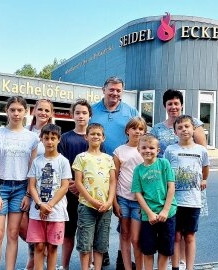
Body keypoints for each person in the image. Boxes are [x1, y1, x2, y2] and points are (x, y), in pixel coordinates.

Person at [150, 89, 207, 270]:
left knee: (188, 233)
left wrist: (203, 179)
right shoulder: (158, 128)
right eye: (169, 104)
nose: (173, 107)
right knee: (173, 231)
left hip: (191, 188)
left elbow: (203, 158)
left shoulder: (194, 123)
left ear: (181, 104)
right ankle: (172, 263)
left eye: (176, 103)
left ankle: (184, 263)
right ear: (165, 106)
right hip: (168, 186)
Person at [89, 76, 138, 267]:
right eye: (112, 89)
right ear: (104, 89)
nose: (115, 93)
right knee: (99, 215)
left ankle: (121, 255)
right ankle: (102, 252)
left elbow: (140, 134)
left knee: (122, 215)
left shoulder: (130, 111)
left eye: (119, 90)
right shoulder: (93, 110)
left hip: (123, 170)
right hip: (96, 169)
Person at [0, 96, 39, 270]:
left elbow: (32, 169)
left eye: (20, 110)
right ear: (6, 111)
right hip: (0, 186)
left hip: (21, 189)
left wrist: (27, 194)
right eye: (12, 110)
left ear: (26, 112)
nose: (16, 114)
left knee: (13, 234)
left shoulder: (32, 138)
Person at [164, 115, 210, 270]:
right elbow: (165, 172)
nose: (184, 130)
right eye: (180, 127)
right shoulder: (171, 150)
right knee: (176, 236)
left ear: (193, 129)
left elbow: (205, 168)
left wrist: (204, 180)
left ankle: (190, 267)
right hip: (174, 201)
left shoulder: (201, 150)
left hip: (193, 201)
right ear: (175, 132)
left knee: (189, 236)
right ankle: (175, 266)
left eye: (187, 126)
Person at [72, 123, 116, 270]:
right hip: (86, 206)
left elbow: (112, 182)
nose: (95, 136)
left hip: (105, 207)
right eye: (92, 134)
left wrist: (109, 202)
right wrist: (91, 200)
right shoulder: (81, 157)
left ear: (103, 138)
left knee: (101, 243)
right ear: (86, 137)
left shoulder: (109, 159)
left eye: (99, 134)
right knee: (85, 242)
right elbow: (78, 182)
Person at [27, 124, 71, 270]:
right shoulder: (36, 161)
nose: (50, 142)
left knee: (52, 247)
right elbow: (32, 185)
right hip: (37, 211)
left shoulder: (63, 161)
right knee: (39, 246)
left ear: (59, 139)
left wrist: (50, 205)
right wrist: (40, 204)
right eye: (46, 138)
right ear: (41, 140)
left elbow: (64, 187)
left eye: (53, 138)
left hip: (56, 212)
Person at [131, 134, 177, 270]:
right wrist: (149, 213)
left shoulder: (164, 164)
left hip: (167, 214)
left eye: (151, 148)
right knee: (148, 249)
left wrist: (166, 210)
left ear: (158, 150)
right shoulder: (138, 170)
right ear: (139, 149)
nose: (147, 150)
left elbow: (171, 187)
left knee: (165, 249)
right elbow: (138, 194)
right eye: (144, 147)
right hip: (148, 216)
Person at [57, 99, 93, 270]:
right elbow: (60, 164)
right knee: (68, 232)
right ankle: (64, 266)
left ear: (89, 115)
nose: (81, 116)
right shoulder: (64, 138)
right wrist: (72, 185)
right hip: (69, 192)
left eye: (84, 113)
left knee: (88, 232)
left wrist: (84, 188)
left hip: (90, 194)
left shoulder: (94, 137)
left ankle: (89, 264)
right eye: (77, 113)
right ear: (72, 115)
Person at [23, 98, 54, 270]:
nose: (43, 113)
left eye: (47, 110)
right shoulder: (26, 131)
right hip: (22, 182)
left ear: (51, 114)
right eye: (40, 109)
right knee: (25, 224)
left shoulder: (54, 133)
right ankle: (33, 256)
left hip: (42, 186)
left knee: (42, 222)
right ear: (33, 111)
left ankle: (41, 259)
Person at [113, 117, 146, 270]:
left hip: (140, 200)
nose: (137, 131)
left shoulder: (145, 150)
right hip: (123, 198)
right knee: (124, 235)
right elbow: (114, 177)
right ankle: (127, 267)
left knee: (136, 238)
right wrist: (114, 202)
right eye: (134, 128)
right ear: (127, 131)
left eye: (140, 129)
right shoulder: (119, 151)